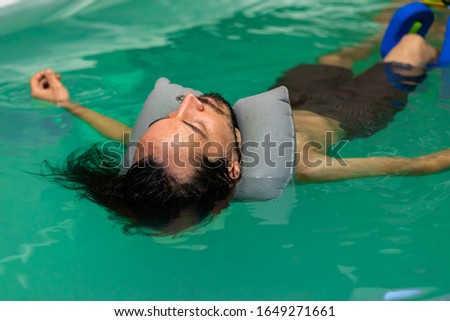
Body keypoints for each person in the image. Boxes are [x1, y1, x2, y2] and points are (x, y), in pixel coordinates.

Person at [30, 30, 449, 235]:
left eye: (167, 119)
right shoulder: (301, 166)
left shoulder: (168, 158)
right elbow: (415, 165)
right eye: (193, 124)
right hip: (353, 111)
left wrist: (67, 104)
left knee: (335, 56)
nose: (186, 102)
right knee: (412, 45)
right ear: (232, 167)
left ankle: (378, 31)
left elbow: (123, 133)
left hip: (292, 95)